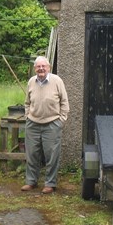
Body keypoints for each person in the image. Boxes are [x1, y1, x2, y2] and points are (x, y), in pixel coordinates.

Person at [21, 56, 69, 194]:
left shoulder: (57, 81)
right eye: (38, 66)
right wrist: (27, 116)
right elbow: (27, 102)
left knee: (52, 155)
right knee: (31, 154)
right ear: (35, 68)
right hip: (33, 124)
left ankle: (50, 183)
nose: (41, 69)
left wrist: (61, 120)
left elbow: (64, 102)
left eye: (44, 66)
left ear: (49, 67)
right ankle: (31, 181)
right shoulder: (31, 81)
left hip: (52, 124)